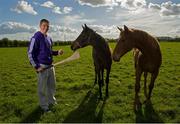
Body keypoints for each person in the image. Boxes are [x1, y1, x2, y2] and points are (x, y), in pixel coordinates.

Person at [27, 19, 63, 112]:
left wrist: (57, 52)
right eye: (44, 25)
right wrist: (37, 67)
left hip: (51, 66)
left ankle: (51, 101)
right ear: (40, 26)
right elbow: (30, 54)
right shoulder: (36, 37)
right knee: (42, 88)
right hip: (42, 66)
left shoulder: (49, 38)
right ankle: (44, 107)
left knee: (52, 86)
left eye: (47, 26)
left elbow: (49, 51)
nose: (46, 28)